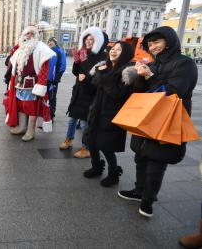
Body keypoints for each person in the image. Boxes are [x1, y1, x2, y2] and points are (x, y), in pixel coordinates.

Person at [118, 26, 198, 218]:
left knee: (157, 160)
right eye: (150, 44)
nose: (153, 46)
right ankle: (139, 191)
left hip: (168, 117)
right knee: (141, 156)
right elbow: (141, 90)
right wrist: (136, 76)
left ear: (168, 41)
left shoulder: (185, 64)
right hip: (146, 116)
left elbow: (174, 90)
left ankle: (148, 200)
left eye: (157, 42)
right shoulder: (153, 63)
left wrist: (150, 76)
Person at [82, 41, 136, 187]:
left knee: (106, 146)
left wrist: (104, 74)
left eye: (118, 49)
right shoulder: (104, 66)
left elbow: (116, 93)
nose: (114, 51)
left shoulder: (127, 72)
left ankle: (114, 173)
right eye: (113, 48)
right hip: (96, 111)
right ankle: (97, 167)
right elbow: (93, 85)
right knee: (92, 142)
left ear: (125, 53)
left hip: (111, 114)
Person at [59, 27, 108, 158]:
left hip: (91, 94)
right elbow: (77, 72)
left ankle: (86, 148)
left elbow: (99, 77)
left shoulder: (103, 57)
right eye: (87, 38)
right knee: (72, 120)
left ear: (98, 41)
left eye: (92, 39)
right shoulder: (83, 53)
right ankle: (68, 140)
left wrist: (85, 77)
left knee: (85, 123)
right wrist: (76, 63)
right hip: (79, 92)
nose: (88, 41)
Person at [5, 26, 55, 142]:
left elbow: (44, 68)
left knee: (31, 107)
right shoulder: (20, 48)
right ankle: (22, 127)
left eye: (31, 34)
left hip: (32, 84)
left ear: (35, 35)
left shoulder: (41, 48)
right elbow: (12, 64)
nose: (28, 36)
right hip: (19, 83)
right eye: (27, 34)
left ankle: (30, 130)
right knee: (21, 105)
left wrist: (41, 84)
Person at [47, 37, 66, 119]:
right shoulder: (46, 51)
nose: (50, 42)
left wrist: (57, 78)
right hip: (44, 79)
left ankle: (51, 114)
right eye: (49, 41)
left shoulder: (59, 51)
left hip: (53, 80)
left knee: (52, 97)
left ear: (55, 43)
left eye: (52, 41)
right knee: (43, 96)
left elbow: (63, 66)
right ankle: (43, 113)